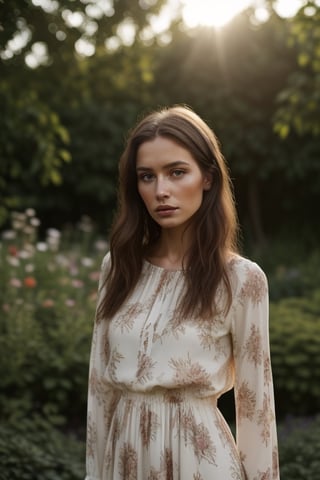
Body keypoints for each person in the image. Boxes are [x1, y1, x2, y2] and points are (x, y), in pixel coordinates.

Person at [85, 105, 279, 480]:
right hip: (124, 463)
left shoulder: (240, 279)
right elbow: (100, 388)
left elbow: (257, 408)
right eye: (147, 176)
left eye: (176, 172)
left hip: (201, 463)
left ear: (207, 177)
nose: (161, 191)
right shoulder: (119, 267)